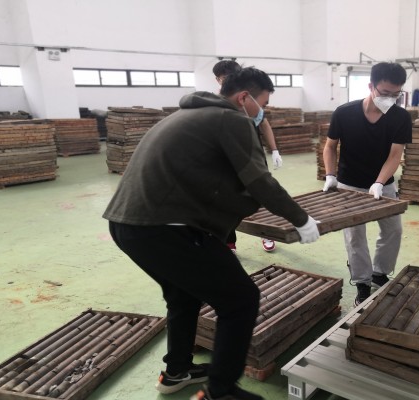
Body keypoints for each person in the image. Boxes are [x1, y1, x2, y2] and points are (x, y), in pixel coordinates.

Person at [103, 67, 319, 400]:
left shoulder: (187, 116)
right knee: (241, 300)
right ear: (244, 98)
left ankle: (176, 372)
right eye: (262, 105)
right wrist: (301, 219)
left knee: (184, 295)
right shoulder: (231, 120)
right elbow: (259, 181)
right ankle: (221, 392)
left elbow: (209, 179)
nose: (262, 113)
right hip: (164, 228)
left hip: (128, 225)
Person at [322, 62, 412, 306]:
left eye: (396, 94)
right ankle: (362, 282)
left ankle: (379, 273)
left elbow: (395, 155)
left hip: (384, 185)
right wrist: (330, 175)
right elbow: (330, 146)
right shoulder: (344, 113)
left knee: (393, 230)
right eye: (385, 92)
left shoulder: (400, 117)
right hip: (349, 185)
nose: (390, 98)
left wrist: (379, 182)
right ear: (371, 86)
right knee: (355, 236)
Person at [213, 60, 281, 253]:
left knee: (260, 191)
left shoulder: (250, 100)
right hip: (228, 155)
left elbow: (263, 123)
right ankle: (229, 242)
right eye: (225, 78)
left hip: (253, 151)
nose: (229, 80)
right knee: (227, 197)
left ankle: (267, 233)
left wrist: (274, 150)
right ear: (218, 80)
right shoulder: (215, 104)